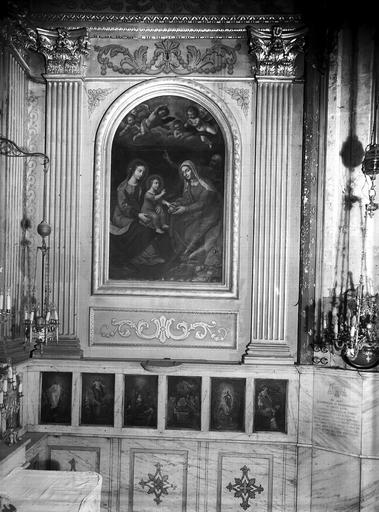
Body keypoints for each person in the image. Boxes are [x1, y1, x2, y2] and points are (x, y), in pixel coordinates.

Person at [168, 160, 223, 276]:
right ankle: (185, 254)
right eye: (183, 172)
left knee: (191, 233)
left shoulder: (205, 184)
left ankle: (193, 258)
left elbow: (202, 204)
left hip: (210, 214)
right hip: (197, 213)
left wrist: (185, 209)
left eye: (187, 170)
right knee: (178, 223)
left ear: (193, 169)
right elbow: (187, 199)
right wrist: (176, 204)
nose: (186, 174)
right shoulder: (187, 184)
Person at [110, 159, 165, 270]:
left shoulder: (140, 187)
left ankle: (150, 256)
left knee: (151, 224)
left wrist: (157, 206)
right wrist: (138, 215)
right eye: (139, 171)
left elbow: (146, 201)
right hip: (121, 217)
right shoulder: (122, 187)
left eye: (143, 172)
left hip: (137, 214)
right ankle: (142, 257)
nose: (141, 174)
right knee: (139, 228)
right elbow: (123, 207)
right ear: (132, 171)